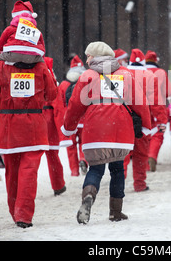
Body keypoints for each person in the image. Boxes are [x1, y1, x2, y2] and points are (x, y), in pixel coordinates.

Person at [60, 41, 151, 224]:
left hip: (95, 130)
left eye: (88, 56)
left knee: (96, 168)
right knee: (117, 170)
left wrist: (68, 128)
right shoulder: (126, 75)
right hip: (120, 130)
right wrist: (146, 126)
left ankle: (88, 197)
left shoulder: (87, 76)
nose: (86, 60)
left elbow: (75, 106)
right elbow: (140, 103)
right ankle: (115, 212)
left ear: (94, 57)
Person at [0, 10, 57, 228]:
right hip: (34, 124)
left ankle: (15, 212)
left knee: (12, 172)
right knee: (29, 171)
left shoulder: (1, 66)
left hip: (8, 126)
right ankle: (24, 214)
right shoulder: (41, 66)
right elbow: (52, 95)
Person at [124, 49, 158, 191]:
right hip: (144, 120)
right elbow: (157, 102)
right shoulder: (150, 76)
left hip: (124, 120)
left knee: (123, 155)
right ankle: (139, 184)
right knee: (141, 154)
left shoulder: (122, 74)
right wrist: (161, 119)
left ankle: (119, 181)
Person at [56, 55, 87, 176]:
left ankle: (74, 170)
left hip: (70, 119)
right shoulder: (86, 81)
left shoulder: (64, 84)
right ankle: (83, 159)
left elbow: (60, 104)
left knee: (71, 146)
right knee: (84, 143)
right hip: (84, 119)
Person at [43, 57, 66, 196]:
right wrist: (62, 132)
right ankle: (58, 185)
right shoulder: (53, 86)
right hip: (49, 125)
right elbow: (58, 111)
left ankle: (24, 189)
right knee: (52, 157)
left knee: (28, 158)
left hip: (31, 122)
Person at [144, 50, 168, 171]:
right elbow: (167, 91)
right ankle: (152, 155)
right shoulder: (161, 72)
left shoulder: (141, 72)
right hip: (158, 106)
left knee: (145, 133)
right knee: (158, 132)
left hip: (142, 106)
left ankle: (145, 160)